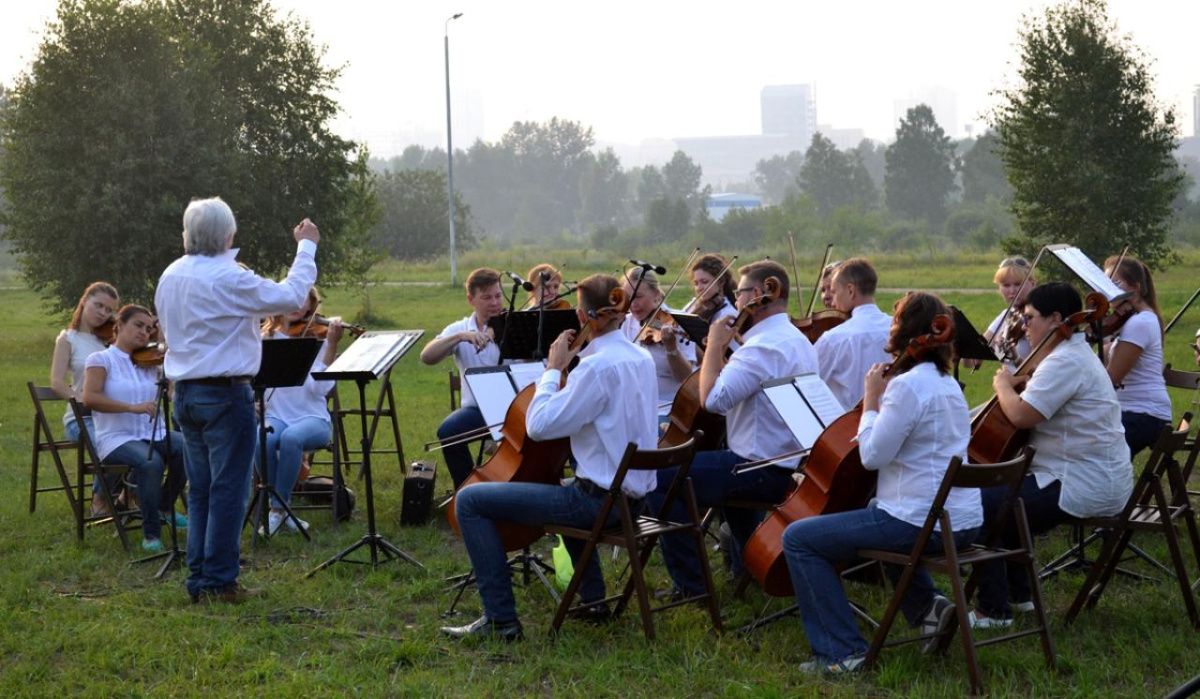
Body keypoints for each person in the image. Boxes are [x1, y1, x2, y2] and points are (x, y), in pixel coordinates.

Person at [440, 273, 658, 641]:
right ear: (619, 311)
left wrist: (553, 369)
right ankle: (593, 600)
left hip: (600, 504)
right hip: (635, 499)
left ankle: (500, 620)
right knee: (564, 485)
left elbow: (539, 426)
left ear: (582, 314)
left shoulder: (595, 367)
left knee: (470, 500)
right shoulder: (640, 357)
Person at [782, 292, 979, 674]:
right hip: (964, 521)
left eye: (895, 323)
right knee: (874, 509)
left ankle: (843, 653)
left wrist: (871, 401)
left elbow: (872, 456)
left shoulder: (907, 387)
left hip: (924, 523)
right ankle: (928, 607)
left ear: (905, 333)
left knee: (799, 539)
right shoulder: (946, 383)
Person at [156, 196, 319, 604]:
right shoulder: (228, 277)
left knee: (201, 490)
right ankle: (218, 581)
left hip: (187, 393)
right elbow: (293, 296)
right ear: (229, 235)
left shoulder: (171, 274)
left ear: (187, 234)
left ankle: (200, 576)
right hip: (225, 393)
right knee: (229, 489)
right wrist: (307, 246)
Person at [651, 260, 818, 597]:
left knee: (661, 479)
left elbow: (713, 401)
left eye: (740, 293)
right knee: (720, 473)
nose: (737, 300)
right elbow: (742, 385)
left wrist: (713, 345)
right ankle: (750, 567)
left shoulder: (761, 347)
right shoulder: (795, 339)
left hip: (760, 468)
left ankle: (692, 586)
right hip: (785, 462)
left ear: (759, 294)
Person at [971, 282, 1133, 627]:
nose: (1024, 326)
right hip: (1081, 473)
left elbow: (1021, 415)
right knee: (1007, 502)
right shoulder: (1067, 355)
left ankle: (993, 610)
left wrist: (1002, 384)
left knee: (980, 506)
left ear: (1056, 318)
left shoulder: (1067, 361)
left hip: (1083, 481)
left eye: (1030, 318)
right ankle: (1020, 596)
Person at [81, 304, 188, 552]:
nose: (144, 332)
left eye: (149, 328)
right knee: (150, 462)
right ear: (119, 326)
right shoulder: (100, 359)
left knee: (188, 448)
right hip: (116, 438)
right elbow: (90, 398)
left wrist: (169, 359)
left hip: (154, 433)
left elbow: (171, 394)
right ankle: (151, 533)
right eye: (138, 325)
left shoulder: (153, 361)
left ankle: (163, 507)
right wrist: (132, 407)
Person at [256, 287, 345, 535]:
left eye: (303, 299)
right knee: (260, 439)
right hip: (275, 415)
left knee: (291, 438)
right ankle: (282, 512)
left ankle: (277, 511)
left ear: (310, 306)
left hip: (313, 417)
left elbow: (321, 389)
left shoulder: (318, 339)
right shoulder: (265, 339)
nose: (296, 303)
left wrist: (331, 346)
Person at [420, 267, 506, 489]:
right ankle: (468, 490)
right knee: (448, 431)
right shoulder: (460, 328)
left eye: (498, 295)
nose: (495, 303)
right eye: (487, 297)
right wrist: (459, 337)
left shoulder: (515, 323)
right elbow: (427, 357)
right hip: (478, 410)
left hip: (519, 408)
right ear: (471, 299)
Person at [50, 281, 120, 515]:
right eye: (98, 305)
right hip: (82, 418)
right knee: (112, 446)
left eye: (109, 310)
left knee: (141, 442)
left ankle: (131, 497)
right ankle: (101, 499)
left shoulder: (112, 339)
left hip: (113, 414)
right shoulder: (67, 339)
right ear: (84, 301)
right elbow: (57, 382)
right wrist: (78, 398)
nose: (103, 313)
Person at [1102, 256, 1171, 458]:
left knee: (1087, 449)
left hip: (1142, 415)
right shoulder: (1134, 321)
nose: (1109, 290)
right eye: (1106, 283)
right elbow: (1112, 353)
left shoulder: (1139, 323)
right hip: (1135, 411)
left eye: (1116, 283)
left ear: (1136, 287)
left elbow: (1111, 379)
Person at [814, 257, 892, 411]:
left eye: (835, 292)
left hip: (847, 429)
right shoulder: (898, 328)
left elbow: (809, 383)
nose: (833, 301)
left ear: (850, 290)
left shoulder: (834, 339)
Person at [622, 267, 697, 422]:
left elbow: (685, 378)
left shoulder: (677, 323)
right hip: (632, 407)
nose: (633, 304)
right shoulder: (626, 323)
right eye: (628, 298)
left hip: (667, 409)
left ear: (656, 294)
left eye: (638, 297)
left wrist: (672, 349)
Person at [964, 256, 1037, 371]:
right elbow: (973, 361)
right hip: (1007, 385)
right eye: (1006, 285)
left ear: (1032, 284)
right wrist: (960, 347)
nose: (1012, 291)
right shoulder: (1007, 315)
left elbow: (1042, 367)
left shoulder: (1038, 316)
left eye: (1018, 284)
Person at [686, 253, 739, 360]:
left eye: (704, 282)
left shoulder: (728, 314)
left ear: (720, 282)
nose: (699, 288)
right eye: (696, 283)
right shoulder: (693, 305)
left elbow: (726, 356)